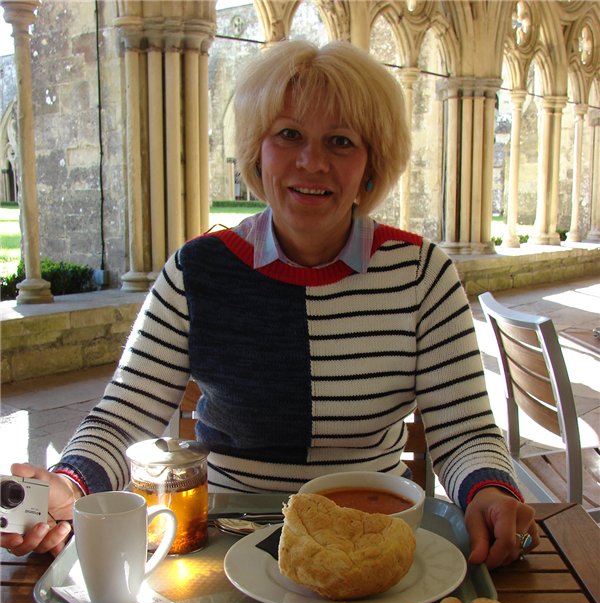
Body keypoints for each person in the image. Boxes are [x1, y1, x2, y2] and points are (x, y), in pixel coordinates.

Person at [3, 40, 540, 567]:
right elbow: (125, 417)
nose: (312, 161)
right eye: (289, 135)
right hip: (228, 546)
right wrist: (69, 483)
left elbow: (465, 430)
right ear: (258, 151)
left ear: (371, 164)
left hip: (377, 547)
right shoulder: (198, 270)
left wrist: (489, 491)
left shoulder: (421, 273)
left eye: (341, 141)